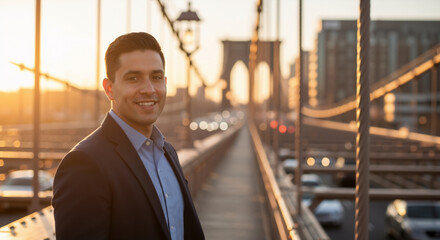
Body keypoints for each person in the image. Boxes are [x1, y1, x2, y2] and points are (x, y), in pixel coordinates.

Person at [52, 32, 205, 240]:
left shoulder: (167, 151)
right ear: (109, 89)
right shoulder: (84, 164)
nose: (149, 89)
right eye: (133, 78)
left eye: (156, 77)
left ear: (165, 83)